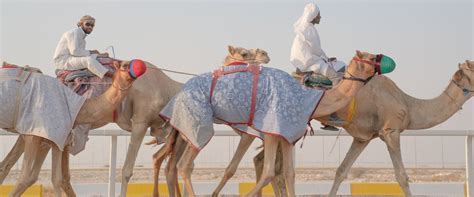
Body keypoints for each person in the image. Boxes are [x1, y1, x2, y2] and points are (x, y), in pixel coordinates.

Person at [290, 3, 346, 85]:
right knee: (336, 78)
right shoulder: (308, 29)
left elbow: (315, 49)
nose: (320, 17)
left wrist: (327, 58)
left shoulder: (305, 28)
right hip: (310, 63)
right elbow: (316, 50)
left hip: (307, 61)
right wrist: (326, 59)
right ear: (313, 16)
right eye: (318, 15)